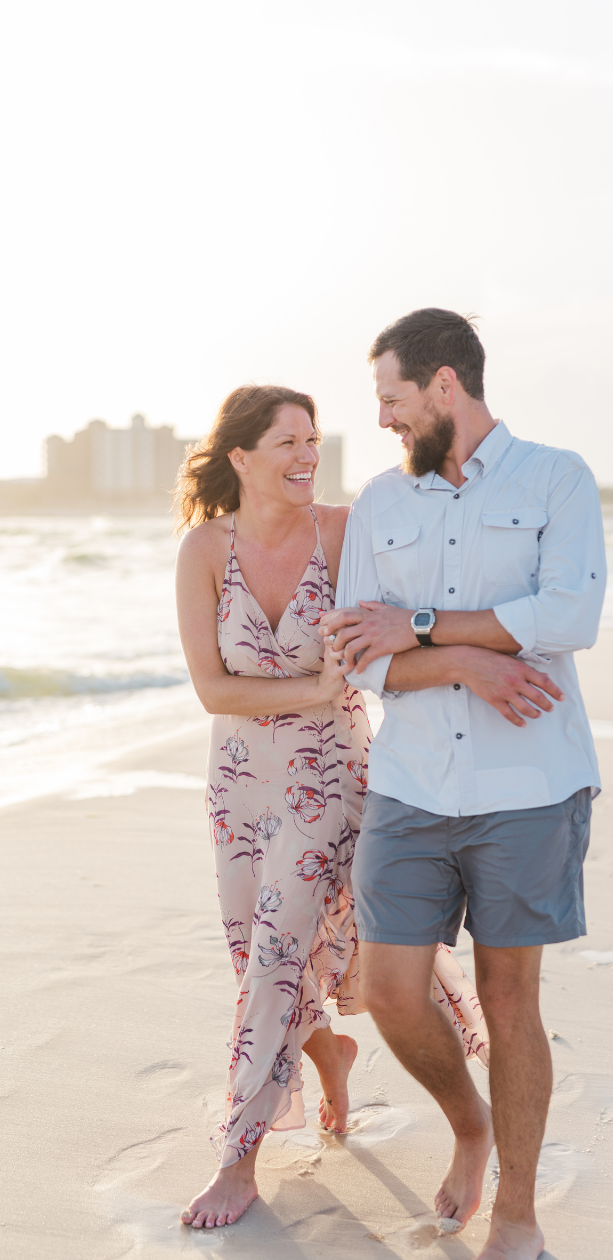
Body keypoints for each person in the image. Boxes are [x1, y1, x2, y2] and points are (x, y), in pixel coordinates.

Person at [171, 385, 493, 1229]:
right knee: (260, 958)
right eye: (287, 442)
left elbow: (425, 595)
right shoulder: (205, 549)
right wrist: (309, 682)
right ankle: (332, 1058)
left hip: (331, 775)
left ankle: (237, 1160)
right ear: (240, 457)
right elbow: (211, 689)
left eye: (313, 440)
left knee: (281, 953)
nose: (308, 455)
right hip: (239, 785)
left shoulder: (346, 533)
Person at [323, 308, 601, 1260]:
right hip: (412, 783)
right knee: (392, 991)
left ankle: (516, 1214)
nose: (388, 422)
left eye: (395, 401)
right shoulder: (380, 503)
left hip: (529, 785)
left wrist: (430, 625)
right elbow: (359, 651)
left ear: (447, 386)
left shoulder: (556, 476)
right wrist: (467, 663)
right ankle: (469, 1121)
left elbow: (568, 614)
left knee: (509, 999)